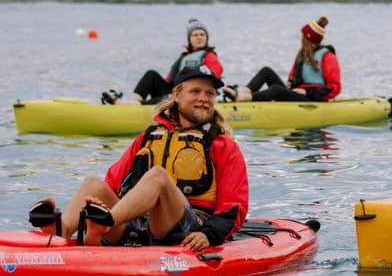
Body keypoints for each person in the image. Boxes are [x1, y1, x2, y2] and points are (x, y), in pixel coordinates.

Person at [30, 65, 249, 251]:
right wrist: (95, 206)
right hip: (135, 225)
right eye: (196, 92)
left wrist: (209, 235)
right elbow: (112, 184)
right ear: (176, 95)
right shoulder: (147, 138)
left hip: (188, 227)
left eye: (210, 94)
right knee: (92, 184)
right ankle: (61, 231)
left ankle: (102, 226)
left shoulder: (223, 145)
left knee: (157, 177)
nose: (203, 99)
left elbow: (234, 207)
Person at [102, 18, 223, 105]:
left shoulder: (210, 57)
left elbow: (212, 81)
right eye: (195, 35)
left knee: (168, 96)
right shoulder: (183, 58)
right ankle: (132, 102)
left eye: (202, 35)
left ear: (207, 39)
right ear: (189, 40)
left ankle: (131, 105)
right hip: (172, 92)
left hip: (188, 95)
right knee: (151, 75)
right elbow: (168, 80)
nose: (199, 37)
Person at [225, 16, 341, 103]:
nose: (301, 39)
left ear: (308, 38)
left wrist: (307, 92)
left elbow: (334, 88)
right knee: (266, 71)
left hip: (312, 99)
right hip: (296, 93)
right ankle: (244, 91)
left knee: (276, 89)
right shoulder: (301, 55)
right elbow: (292, 78)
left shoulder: (328, 57)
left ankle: (247, 98)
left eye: (303, 37)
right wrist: (290, 83)